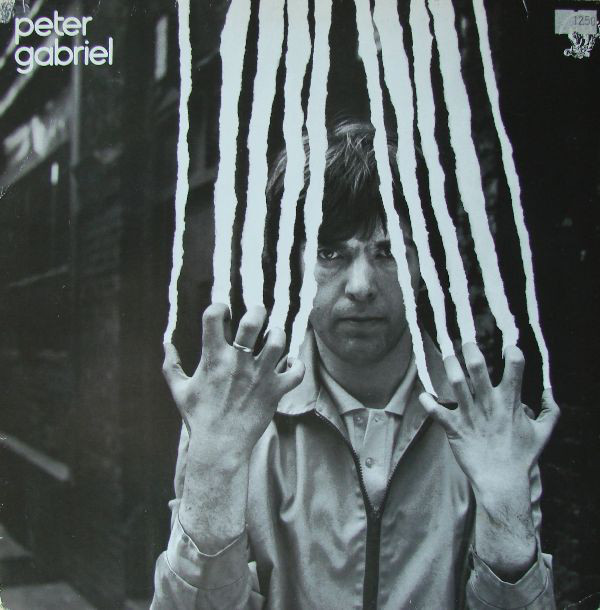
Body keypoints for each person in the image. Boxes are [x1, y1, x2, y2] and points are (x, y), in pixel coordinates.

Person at [151, 121, 559, 609]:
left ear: (423, 268)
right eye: (330, 253)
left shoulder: (489, 429)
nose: (361, 286)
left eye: (388, 252)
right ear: (292, 266)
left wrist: (506, 522)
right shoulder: (232, 420)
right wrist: (213, 476)